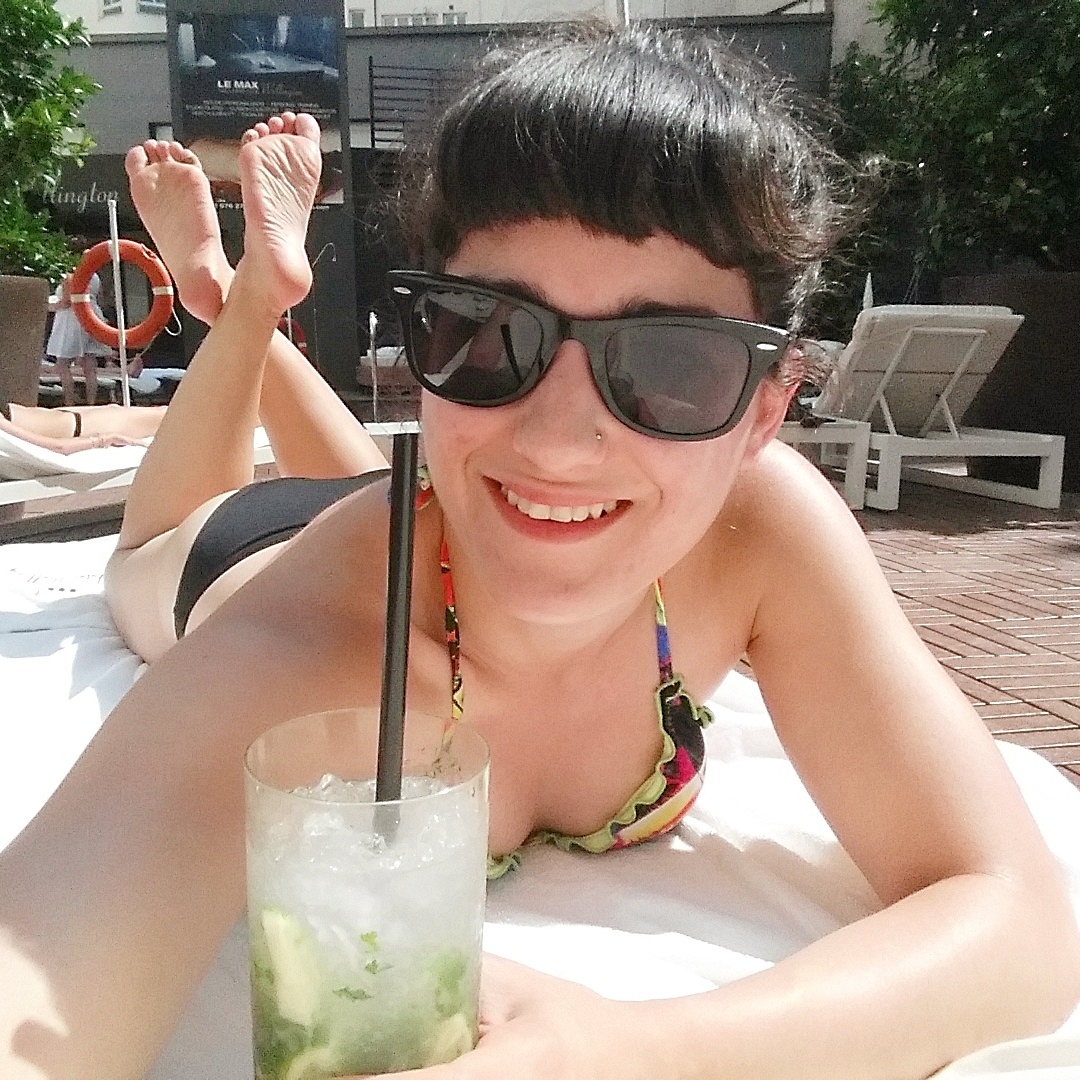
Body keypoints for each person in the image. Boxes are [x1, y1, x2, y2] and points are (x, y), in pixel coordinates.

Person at [2, 23, 1078, 1080]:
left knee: (428, 477)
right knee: (149, 544)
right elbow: (35, 974)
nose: (562, 438)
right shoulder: (302, 649)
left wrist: (638, 1052)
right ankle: (234, 299)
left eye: (673, 362)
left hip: (444, 496)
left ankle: (234, 286)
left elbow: (1017, 914)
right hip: (232, 554)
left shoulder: (759, 532)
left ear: (766, 409)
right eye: (484, 332)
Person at [43, 265, 115, 406]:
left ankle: (69, 402)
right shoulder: (94, 275)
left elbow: (66, 302)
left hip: (72, 318)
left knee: (63, 364)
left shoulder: (70, 275)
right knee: (90, 364)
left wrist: (48, 307)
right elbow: (100, 299)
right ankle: (91, 403)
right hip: (92, 314)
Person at [0, 399, 165, 454]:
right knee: (163, 416)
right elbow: (59, 447)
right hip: (80, 426)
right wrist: (104, 440)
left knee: (163, 414)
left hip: (70, 418)